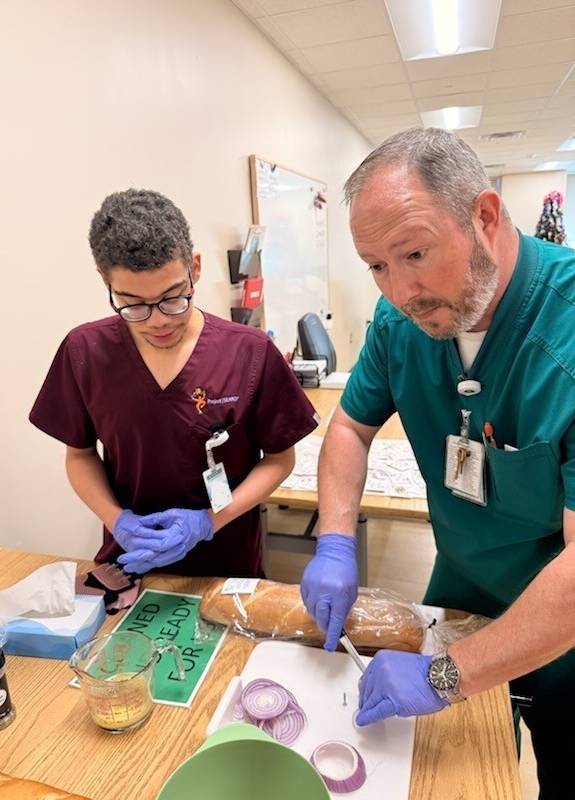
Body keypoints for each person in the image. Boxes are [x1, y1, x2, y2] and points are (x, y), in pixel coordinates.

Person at [300, 127, 574, 799]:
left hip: (561, 621)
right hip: (458, 591)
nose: (399, 291)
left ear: (484, 216)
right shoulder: (403, 324)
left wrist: (444, 676)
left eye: (414, 253)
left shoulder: (562, 332)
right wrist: (334, 539)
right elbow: (348, 431)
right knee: (448, 774)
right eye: (376, 267)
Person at [30, 188, 318, 578]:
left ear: (194, 268)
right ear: (105, 281)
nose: (158, 321)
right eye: (133, 304)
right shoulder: (86, 352)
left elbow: (280, 459)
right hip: (129, 564)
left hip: (228, 563)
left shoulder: (250, 352)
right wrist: (118, 522)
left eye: (173, 297)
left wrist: (207, 522)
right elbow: (80, 455)